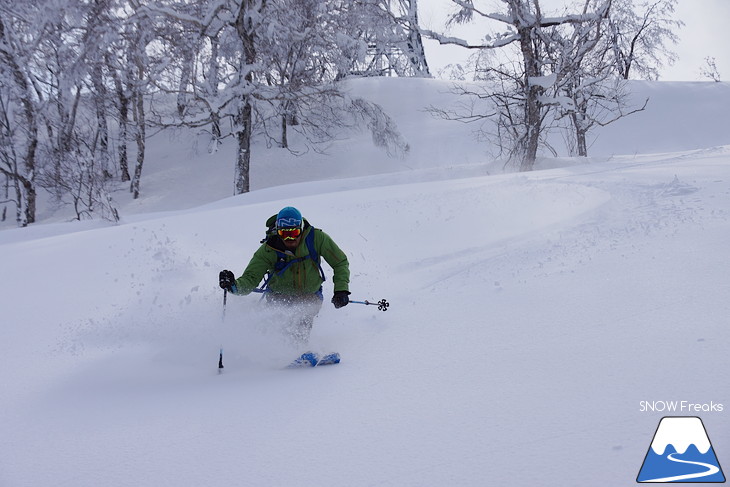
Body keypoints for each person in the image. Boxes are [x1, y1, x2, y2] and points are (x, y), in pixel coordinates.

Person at [219, 206, 350, 344]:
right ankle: (278, 353)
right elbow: (250, 279)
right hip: (278, 297)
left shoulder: (317, 239)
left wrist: (341, 290)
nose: (289, 238)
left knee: (302, 318)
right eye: (284, 233)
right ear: (277, 231)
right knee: (280, 326)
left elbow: (340, 262)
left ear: (301, 228)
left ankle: (297, 350)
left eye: (293, 233)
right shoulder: (268, 250)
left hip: (309, 295)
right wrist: (233, 286)